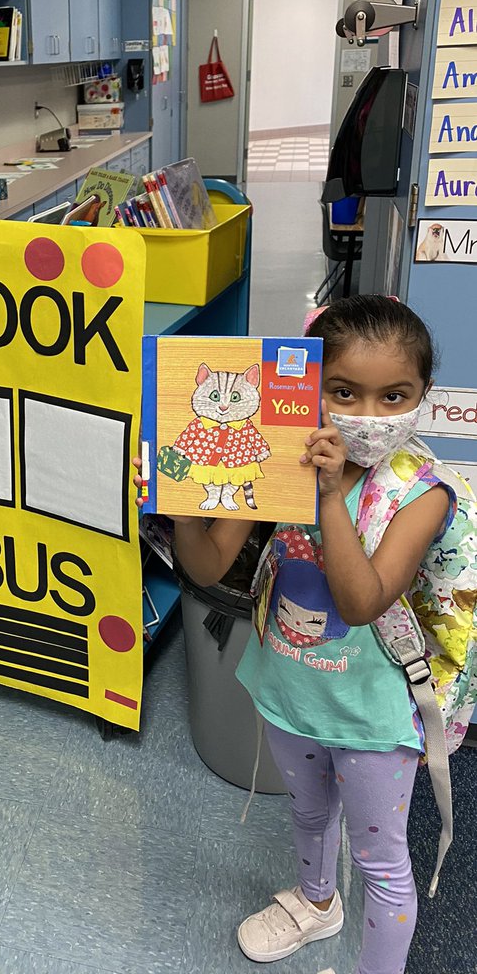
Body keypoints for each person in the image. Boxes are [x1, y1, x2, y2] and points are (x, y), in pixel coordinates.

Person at [136, 296, 450, 974]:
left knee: (382, 862)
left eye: (393, 395)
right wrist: (187, 510)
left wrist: (331, 496)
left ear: (424, 396)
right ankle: (316, 902)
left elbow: (363, 600)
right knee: (309, 817)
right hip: (291, 692)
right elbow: (209, 565)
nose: (367, 415)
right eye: (343, 392)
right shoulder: (281, 464)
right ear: (310, 388)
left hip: (374, 717)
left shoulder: (421, 495)